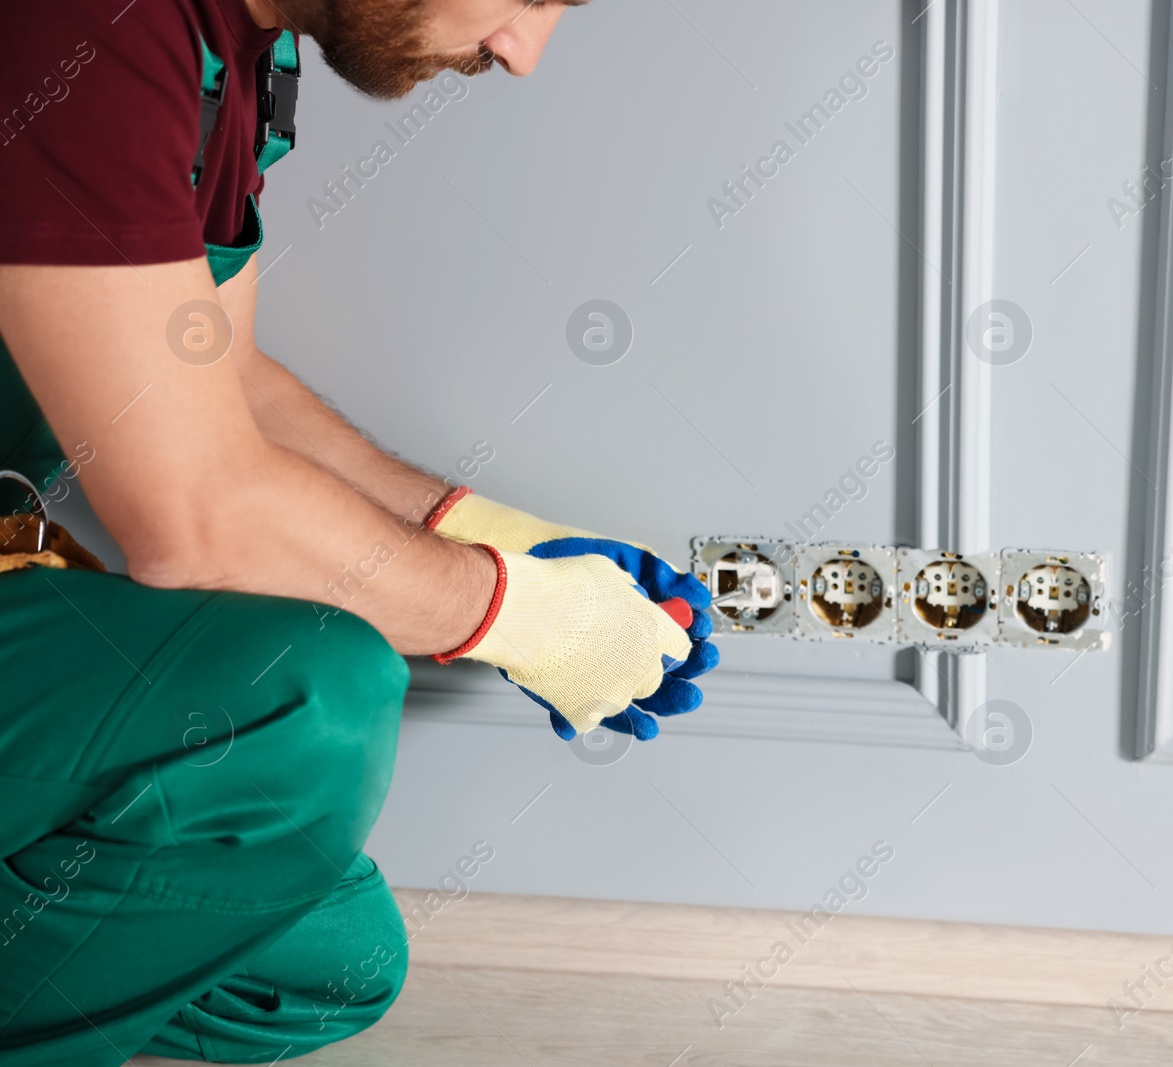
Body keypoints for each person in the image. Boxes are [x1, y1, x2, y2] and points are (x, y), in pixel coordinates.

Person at [0, 1, 716, 1063]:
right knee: (315, 691)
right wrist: (515, 614)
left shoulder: (241, 50)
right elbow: (195, 519)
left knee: (329, 963)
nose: (522, 53)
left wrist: (480, 530)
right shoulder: (92, 25)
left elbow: (225, 380)